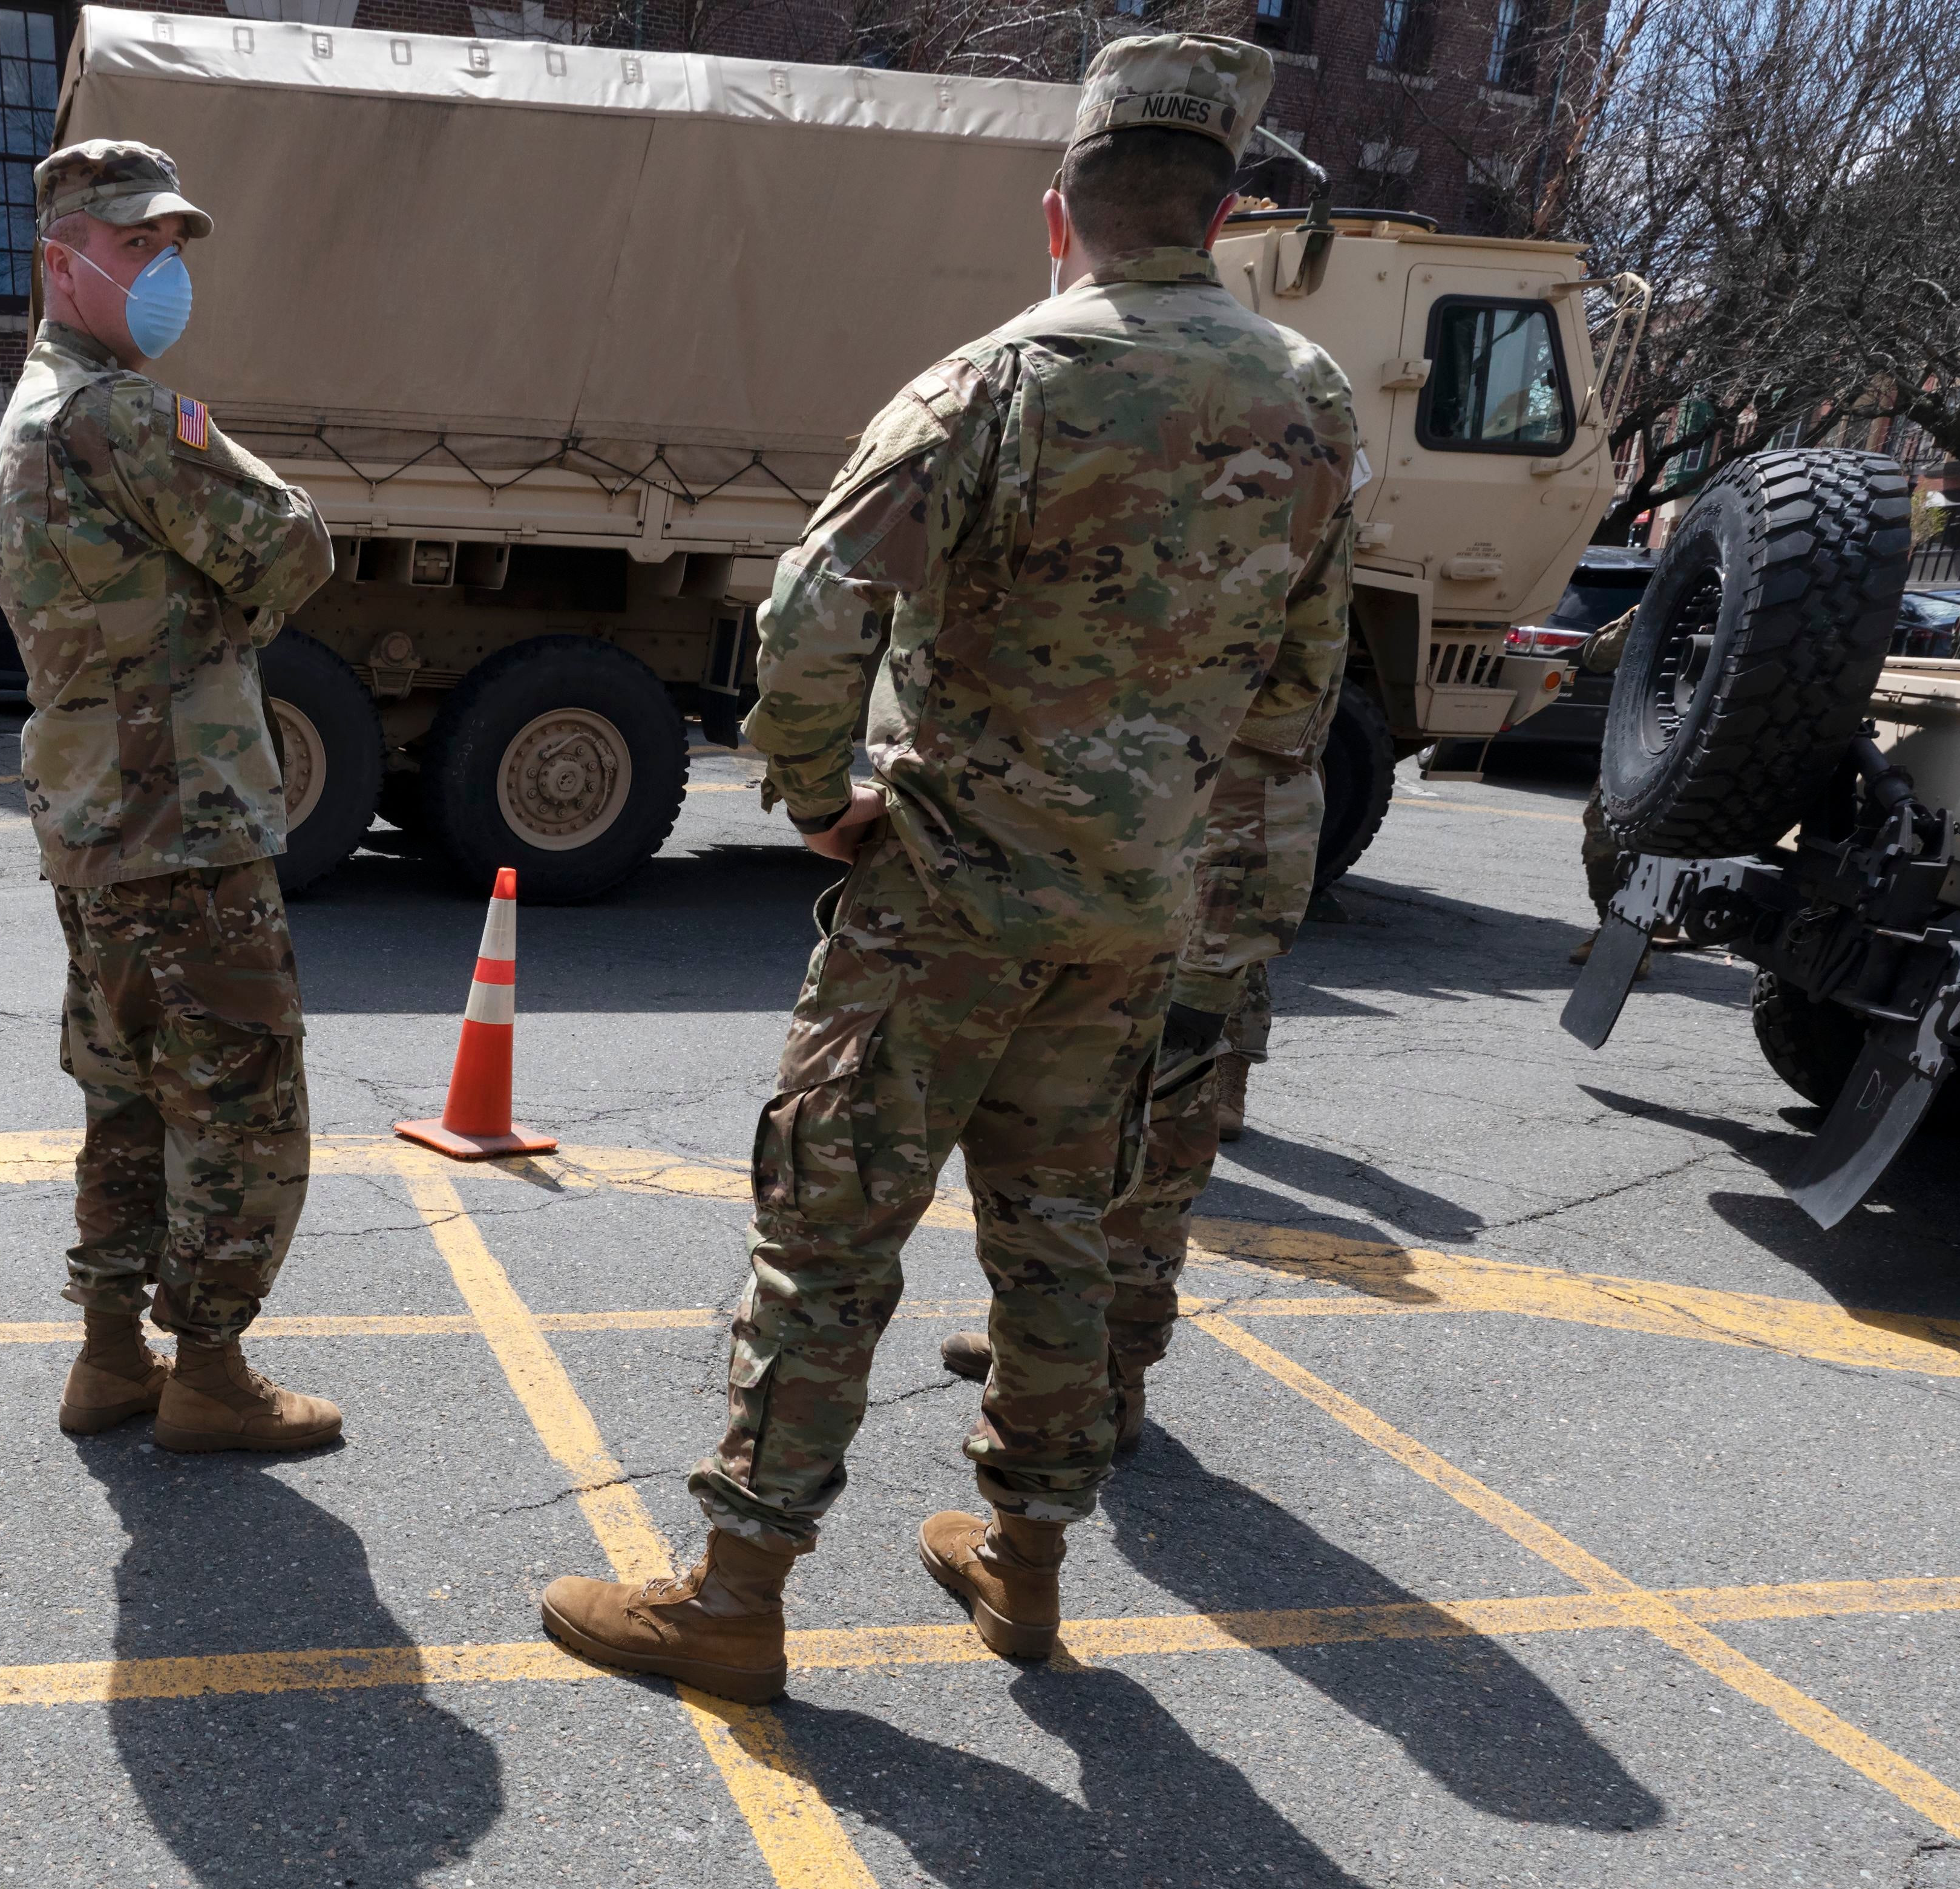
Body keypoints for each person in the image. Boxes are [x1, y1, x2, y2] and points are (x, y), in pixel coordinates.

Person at [537, 33, 1356, 1696]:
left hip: (947, 905)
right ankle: (1028, 1564)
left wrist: (815, 790)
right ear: (1220, 210)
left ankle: (738, 1592)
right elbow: (1303, 681)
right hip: (1135, 912)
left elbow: (813, 612)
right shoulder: (1311, 398)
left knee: (831, 1231)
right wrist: (1182, 828)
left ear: (1061, 212)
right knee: (1060, 1235)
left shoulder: (993, 381)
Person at [0, 137, 343, 1454]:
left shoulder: (29, 416)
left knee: (127, 1095)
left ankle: (107, 1355)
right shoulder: (120, 414)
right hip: (184, 818)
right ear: (62, 260)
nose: (163, 269)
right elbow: (296, 542)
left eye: (174, 245)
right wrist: (227, 603)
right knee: (239, 1104)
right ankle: (208, 1371)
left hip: (96, 821)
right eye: (137, 245)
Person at [940, 729, 1322, 1449]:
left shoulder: (1250, 617)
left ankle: (1107, 1384)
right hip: (1089, 887)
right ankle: (1046, 1354)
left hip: (1178, 919)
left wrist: (1208, 975)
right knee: (1047, 1149)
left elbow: (1269, 761)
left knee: (1146, 1161)